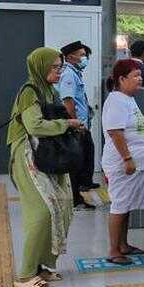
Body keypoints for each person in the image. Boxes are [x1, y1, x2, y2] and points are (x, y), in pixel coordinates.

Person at [8, 47, 85, 287]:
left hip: (49, 156)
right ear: (40, 67)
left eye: (60, 67)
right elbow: (34, 125)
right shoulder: (29, 92)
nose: (59, 71)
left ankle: (42, 266)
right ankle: (25, 275)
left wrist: (69, 125)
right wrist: (67, 123)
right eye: (54, 67)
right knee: (41, 212)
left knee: (62, 206)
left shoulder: (50, 91)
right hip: (28, 157)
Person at [102, 59, 144, 266]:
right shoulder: (117, 100)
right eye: (135, 76)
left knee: (126, 205)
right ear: (121, 79)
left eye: (140, 75)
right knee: (120, 205)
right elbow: (115, 132)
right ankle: (114, 250)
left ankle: (123, 245)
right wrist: (127, 158)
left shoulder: (126, 99)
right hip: (123, 164)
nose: (140, 79)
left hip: (134, 163)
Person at [56, 40, 97, 209]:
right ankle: (75, 198)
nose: (84, 58)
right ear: (71, 57)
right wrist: (75, 124)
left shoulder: (75, 73)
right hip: (77, 126)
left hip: (81, 125)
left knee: (84, 158)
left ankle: (80, 190)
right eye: (82, 55)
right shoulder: (68, 75)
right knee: (77, 163)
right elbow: (68, 101)